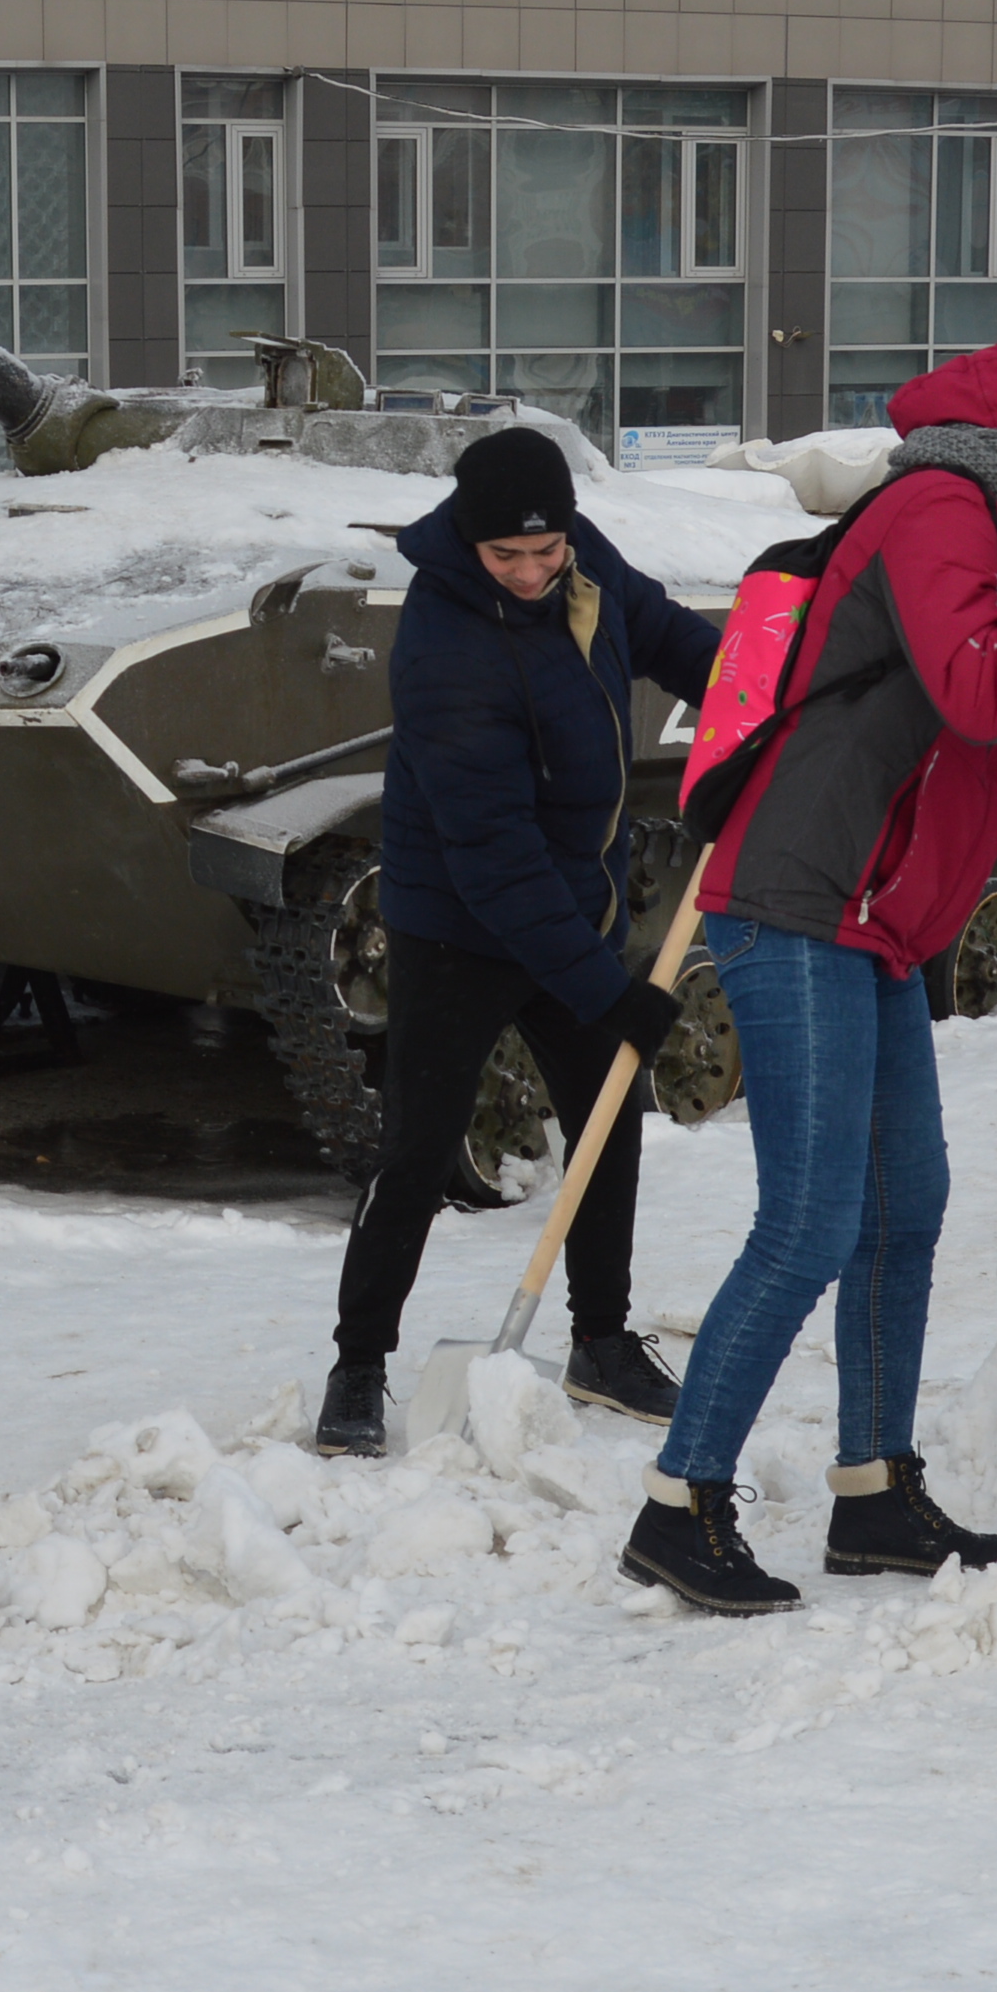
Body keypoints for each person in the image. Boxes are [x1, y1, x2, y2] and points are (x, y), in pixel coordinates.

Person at [625, 314, 997, 1612]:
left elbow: (962, 752)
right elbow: (983, 685)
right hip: (802, 898)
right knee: (811, 1221)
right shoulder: (947, 499)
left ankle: (875, 1491)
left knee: (903, 1209)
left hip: (876, 920)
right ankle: (680, 1503)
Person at [318, 424, 727, 1457]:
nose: (537, 572)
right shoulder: (446, 645)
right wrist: (605, 984)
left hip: (571, 904)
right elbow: (493, 862)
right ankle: (358, 1367)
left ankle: (600, 1340)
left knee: (608, 1117)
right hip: (459, 925)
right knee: (416, 1148)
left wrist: (750, 702)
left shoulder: (584, 566)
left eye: (548, 551)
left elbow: (673, 638)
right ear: (471, 541)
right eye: (512, 557)